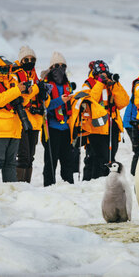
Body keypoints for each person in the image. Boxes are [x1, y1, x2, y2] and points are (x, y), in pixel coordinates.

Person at [0, 55, 37, 183]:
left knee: (11, 164)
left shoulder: (12, 80)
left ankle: (11, 192)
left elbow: (21, 102)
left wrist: (27, 94)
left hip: (15, 129)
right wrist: (17, 90)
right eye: (4, 69)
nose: (7, 71)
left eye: (8, 68)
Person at [81, 60, 129, 180]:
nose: (105, 75)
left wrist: (114, 85)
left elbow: (123, 102)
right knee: (99, 157)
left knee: (110, 157)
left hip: (112, 124)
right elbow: (91, 100)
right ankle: (95, 182)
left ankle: (107, 181)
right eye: (102, 73)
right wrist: (100, 82)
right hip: (96, 125)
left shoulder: (111, 84)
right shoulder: (88, 84)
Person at [40, 52, 76, 186]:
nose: (60, 69)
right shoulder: (46, 85)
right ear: (51, 68)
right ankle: (49, 186)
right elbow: (45, 107)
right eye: (56, 66)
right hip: (51, 128)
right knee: (51, 160)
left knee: (67, 160)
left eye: (63, 66)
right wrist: (60, 100)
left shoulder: (68, 84)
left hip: (66, 128)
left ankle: (69, 185)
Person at [14, 46, 50, 183]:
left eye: (32, 59)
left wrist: (45, 95)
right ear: (20, 60)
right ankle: (20, 185)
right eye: (26, 59)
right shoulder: (16, 76)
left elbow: (45, 101)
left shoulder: (36, 78)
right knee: (23, 155)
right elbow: (20, 98)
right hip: (21, 119)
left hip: (35, 120)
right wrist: (36, 89)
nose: (29, 61)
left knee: (30, 156)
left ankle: (26, 184)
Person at [122, 93, 139, 176]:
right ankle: (134, 172)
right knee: (138, 148)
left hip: (132, 123)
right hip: (131, 123)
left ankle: (136, 171)